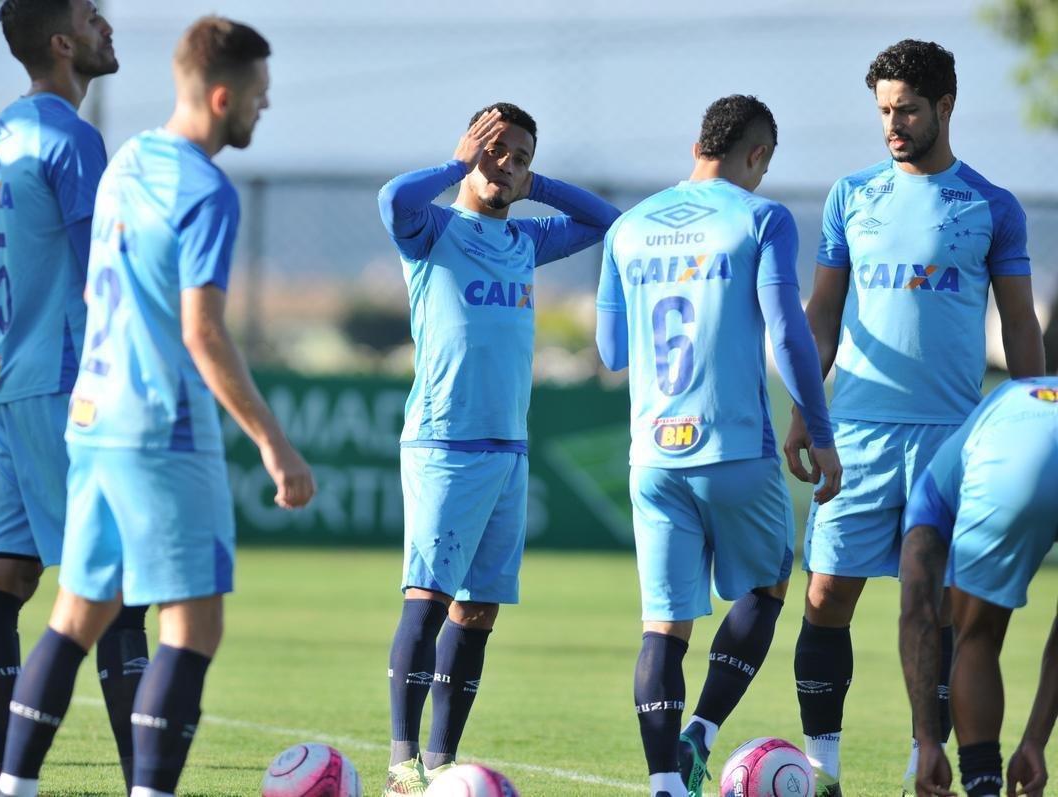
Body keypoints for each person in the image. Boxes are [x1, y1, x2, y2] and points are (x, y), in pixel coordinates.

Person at [0, 17, 314, 797]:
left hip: (92, 418)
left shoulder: (126, 160)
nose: (264, 109)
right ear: (220, 95)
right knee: (193, 624)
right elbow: (203, 332)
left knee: (76, 615)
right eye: (258, 96)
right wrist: (275, 444)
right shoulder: (205, 188)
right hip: (161, 429)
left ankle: (13, 787)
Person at [781, 39, 1045, 796]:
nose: (893, 125)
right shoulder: (849, 195)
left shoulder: (991, 206)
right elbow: (823, 311)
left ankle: (918, 761)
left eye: (907, 111)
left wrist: (1035, 417)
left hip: (953, 442)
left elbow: (1020, 325)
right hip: (857, 434)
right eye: (884, 112)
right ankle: (821, 767)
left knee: (936, 613)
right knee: (827, 596)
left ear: (946, 107)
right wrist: (808, 405)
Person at [596, 94, 842, 797]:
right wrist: (818, 431)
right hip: (733, 445)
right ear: (757, 154)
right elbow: (790, 335)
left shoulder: (630, 227)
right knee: (769, 583)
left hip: (652, 453)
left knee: (664, 626)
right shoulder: (759, 217)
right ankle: (702, 728)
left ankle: (665, 784)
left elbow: (612, 349)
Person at [376, 102, 620, 794]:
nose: (506, 164)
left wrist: (532, 183)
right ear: (470, 147)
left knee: (477, 610)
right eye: (497, 149)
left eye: (521, 155)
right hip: (445, 442)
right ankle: (402, 762)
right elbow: (393, 196)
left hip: (509, 448)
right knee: (425, 600)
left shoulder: (525, 242)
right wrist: (460, 163)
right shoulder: (432, 230)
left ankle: (444, 758)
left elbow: (612, 223)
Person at [0, 2, 149, 793]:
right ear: (62, 42)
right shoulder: (72, 139)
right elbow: (99, 278)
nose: (109, 25)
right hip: (64, 387)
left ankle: (7, 778)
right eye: (92, 16)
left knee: (7, 578)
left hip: (7, 378)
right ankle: (147, 781)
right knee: (114, 594)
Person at [898, 377, 1058, 797]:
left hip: (1014, 468)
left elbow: (919, 615)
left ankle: (983, 786)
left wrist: (928, 742)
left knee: (977, 637)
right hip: (1018, 442)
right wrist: (1035, 740)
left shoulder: (929, 495)